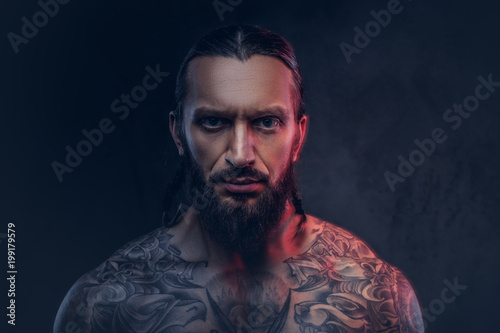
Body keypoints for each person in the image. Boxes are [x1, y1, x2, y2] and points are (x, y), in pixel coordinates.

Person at [54, 24, 424, 333]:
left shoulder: (375, 298)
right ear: (178, 133)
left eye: (266, 123)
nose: (241, 154)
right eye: (213, 122)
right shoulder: (104, 304)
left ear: (298, 135)